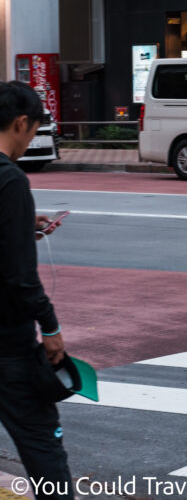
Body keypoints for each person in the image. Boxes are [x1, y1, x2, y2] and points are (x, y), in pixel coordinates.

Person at [0, 81, 73, 500]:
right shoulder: (10, 181)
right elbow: (20, 276)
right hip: (6, 342)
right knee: (42, 444)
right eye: (32, 132)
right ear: (21, 123)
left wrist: (23, 226)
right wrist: (50, 328)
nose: (30, 142)